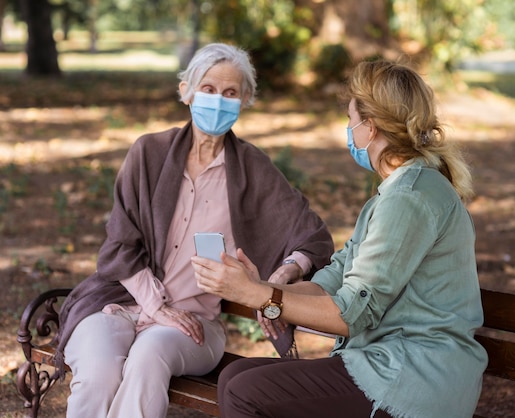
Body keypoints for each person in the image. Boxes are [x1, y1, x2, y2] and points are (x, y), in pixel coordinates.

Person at [192, 59, 489, 418]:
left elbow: (350, 315)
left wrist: (260, 296)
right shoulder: (397, 193)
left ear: (371, 127)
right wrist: (263, 288)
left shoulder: (409, 200)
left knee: (244, 391)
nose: (348, 129)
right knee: (236, 375)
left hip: (414, 379)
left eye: (351, 119)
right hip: (387, 363)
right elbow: (333, 281)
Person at [52, 43, 334, 418]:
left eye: (230, 93)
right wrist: (157, 307)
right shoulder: (148, 153)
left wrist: (279, 280)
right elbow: (119, 242)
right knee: (98, 371)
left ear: (245, 100)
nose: (218, 100)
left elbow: (312, 237)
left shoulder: (252, 167)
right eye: (208, 89)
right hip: (119, 304)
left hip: (195, 323)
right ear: (186, 91)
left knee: (147, 359)